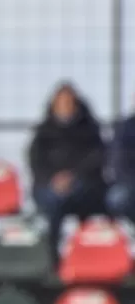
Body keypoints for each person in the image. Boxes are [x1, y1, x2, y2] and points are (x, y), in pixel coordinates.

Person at [28, 82, 107, 263]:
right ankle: (52, 257)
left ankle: (88, 255)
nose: (65, 107)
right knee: (54, 201)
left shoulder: (90, 129)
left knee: (84, 198)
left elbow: (97, 158)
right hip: (49, 185)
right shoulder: (43, 131)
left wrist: (72, 177)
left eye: (69, 103)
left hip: (84, 184)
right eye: (61, 103)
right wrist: (53, 179)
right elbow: (35, 162)